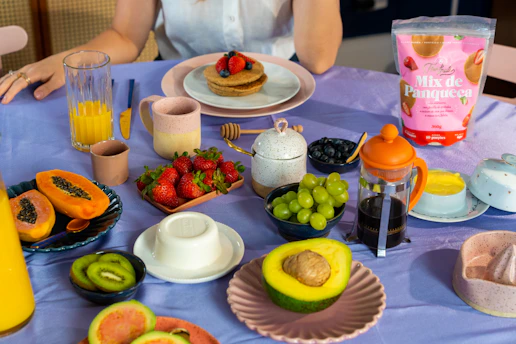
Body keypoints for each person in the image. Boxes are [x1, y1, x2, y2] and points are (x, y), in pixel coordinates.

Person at [0, 0, 342, 104]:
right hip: (177, 94)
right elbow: (125, 35)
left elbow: (318, 58)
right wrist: (67, 62)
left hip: (277, 94)